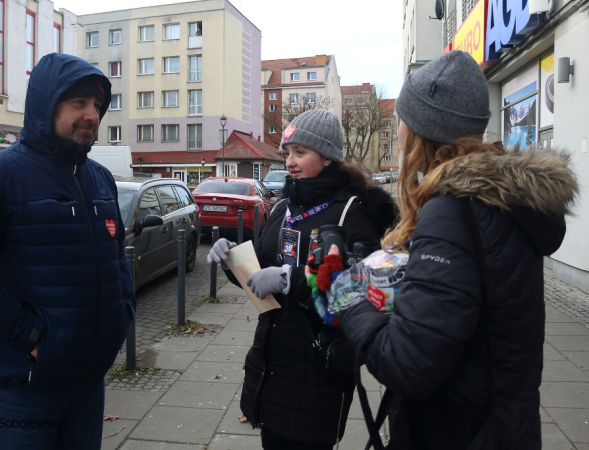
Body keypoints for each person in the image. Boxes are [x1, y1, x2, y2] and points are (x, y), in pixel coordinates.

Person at [321, 51, 579, 449]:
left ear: (423, 128)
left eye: (402, 118)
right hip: (501, 426)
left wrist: (351, 301)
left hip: (455, 431)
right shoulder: (499, 203)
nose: (399, 126)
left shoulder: (453, 210)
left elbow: (409, 363)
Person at [0, 53, 135, 449]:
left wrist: (122, 311)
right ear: (46, 106)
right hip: (25, 389)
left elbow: (116, 256)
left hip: (88, 382)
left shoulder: (100, 179)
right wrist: (33, 336)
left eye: (97, 105)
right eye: (78, 103)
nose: (92, 115)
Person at [208, 109, 398, 449]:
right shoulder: (283, 208)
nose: (290, 162)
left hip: (318, 365)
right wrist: (231, 261)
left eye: (300, 152)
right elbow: (259, 278)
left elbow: (362, 291)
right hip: (272, 360)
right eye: (287, 152)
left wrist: (288, 280)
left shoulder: (352, 211)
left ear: (327, 157)